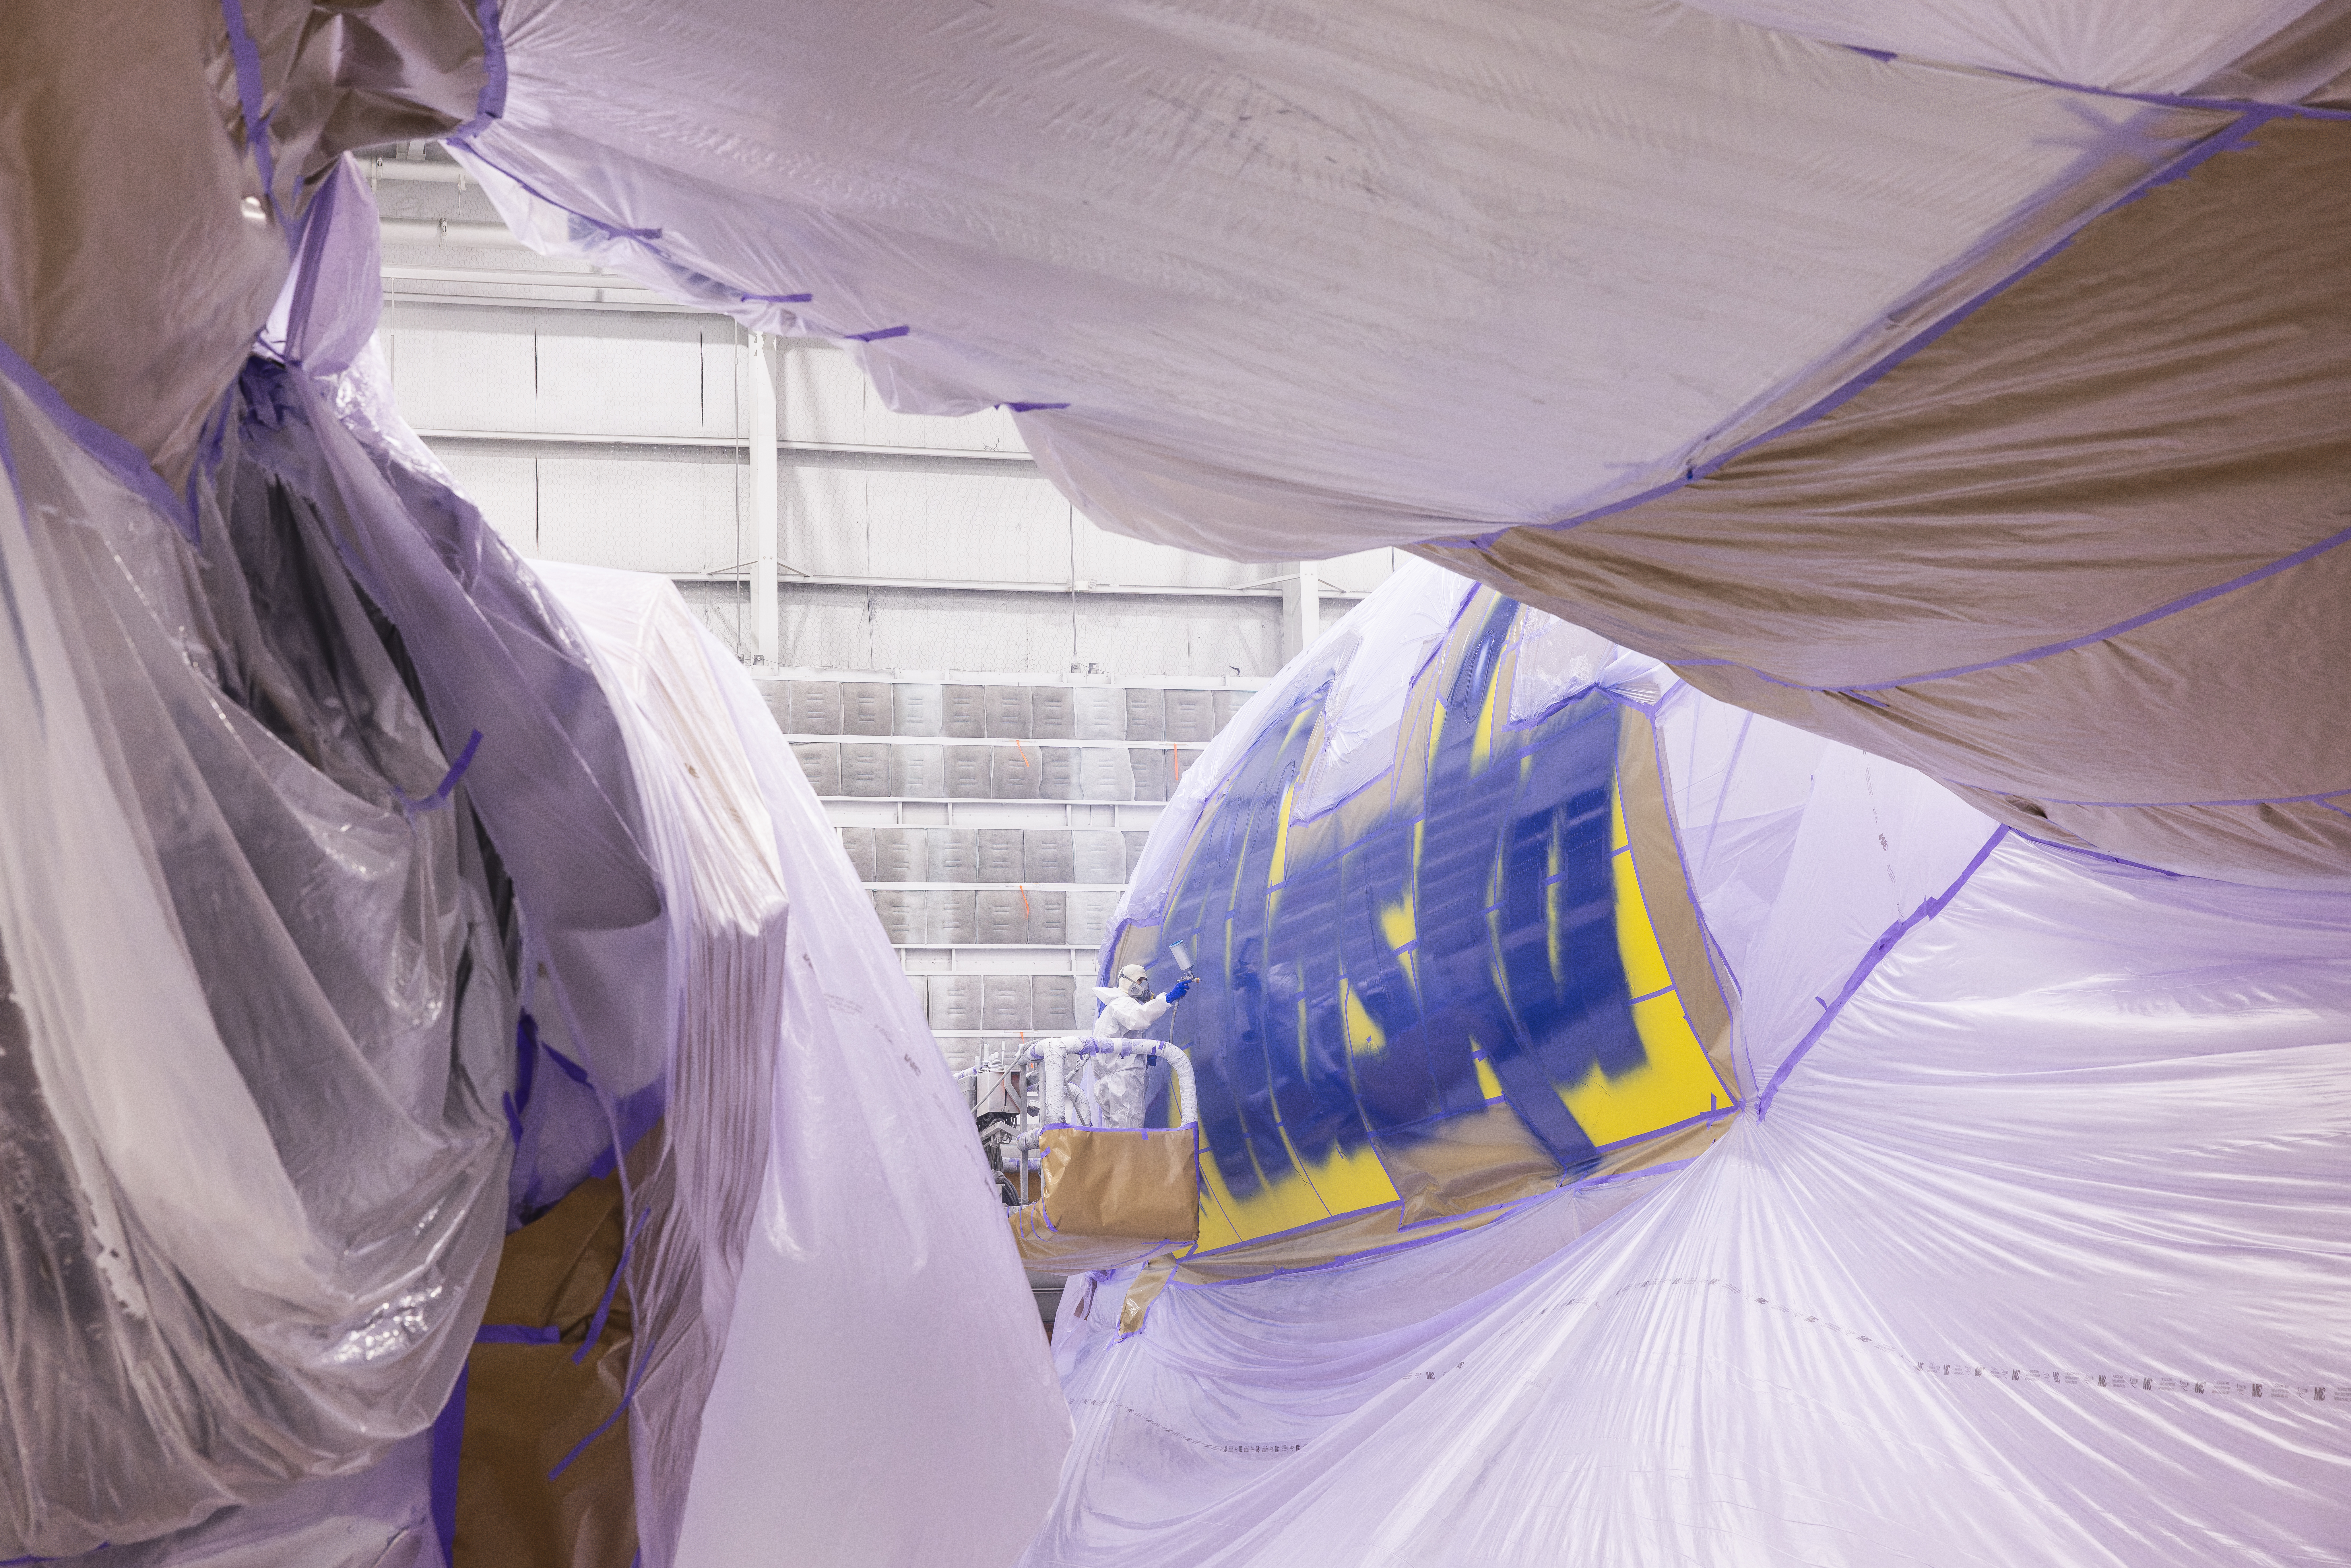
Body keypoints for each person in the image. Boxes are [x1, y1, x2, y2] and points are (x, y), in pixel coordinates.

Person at [1081, 964, 1192, 1126]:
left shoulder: (1115, 1007)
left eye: (1145, 981)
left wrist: (1144, 1057)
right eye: (1140, 980)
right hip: (1123, 1081)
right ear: (1129, 983)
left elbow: (1121, 1043)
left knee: (1115, 1135)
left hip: (1111, 1082)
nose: (1144, 985)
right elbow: (1139, 1018)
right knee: (1130, 1132)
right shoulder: (1123, 1004)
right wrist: (1167, 999)